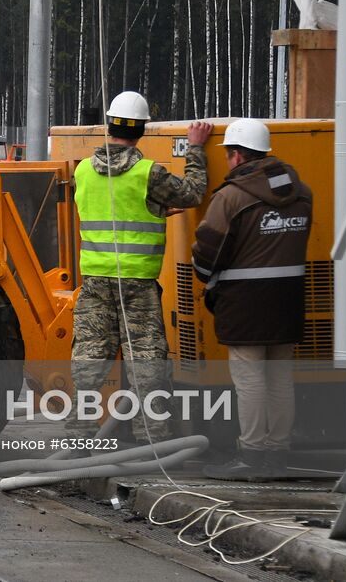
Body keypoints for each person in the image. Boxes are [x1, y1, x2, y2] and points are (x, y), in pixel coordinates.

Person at [70, 91, 212, 443]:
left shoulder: (83, 171)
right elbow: (194, 193)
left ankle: (77, 441)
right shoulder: (149, 173)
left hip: (95, 280)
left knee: (87, 366)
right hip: (138, 284)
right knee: (146, 368)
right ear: (141, 131)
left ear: (109, 124)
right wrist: (195, 148)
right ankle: (152, 442)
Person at [193, 118, 313, 482]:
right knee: (280, 379)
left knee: (250, 380)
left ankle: (252, 454)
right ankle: (277, 453)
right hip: (288, 297)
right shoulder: (302, 192)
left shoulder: (231, 197)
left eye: (228, 155)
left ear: (236, 155)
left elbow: (206, 253)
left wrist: (207, 280)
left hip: (245, 302)